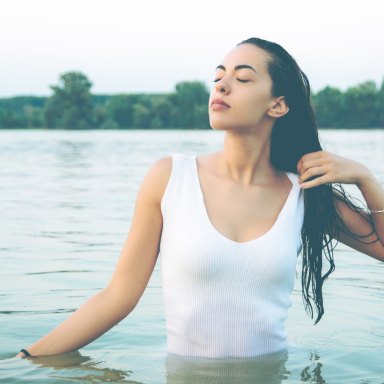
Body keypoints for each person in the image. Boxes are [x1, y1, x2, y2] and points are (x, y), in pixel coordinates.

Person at [17, 37, 384, 360]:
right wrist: (24, 360)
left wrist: (367, 180)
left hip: (272, 374)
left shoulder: (303, 193)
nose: (222, 86)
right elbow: (118, 297)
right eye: (218, 76)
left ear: (278, 105)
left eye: (241, 78)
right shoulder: (170, 178)